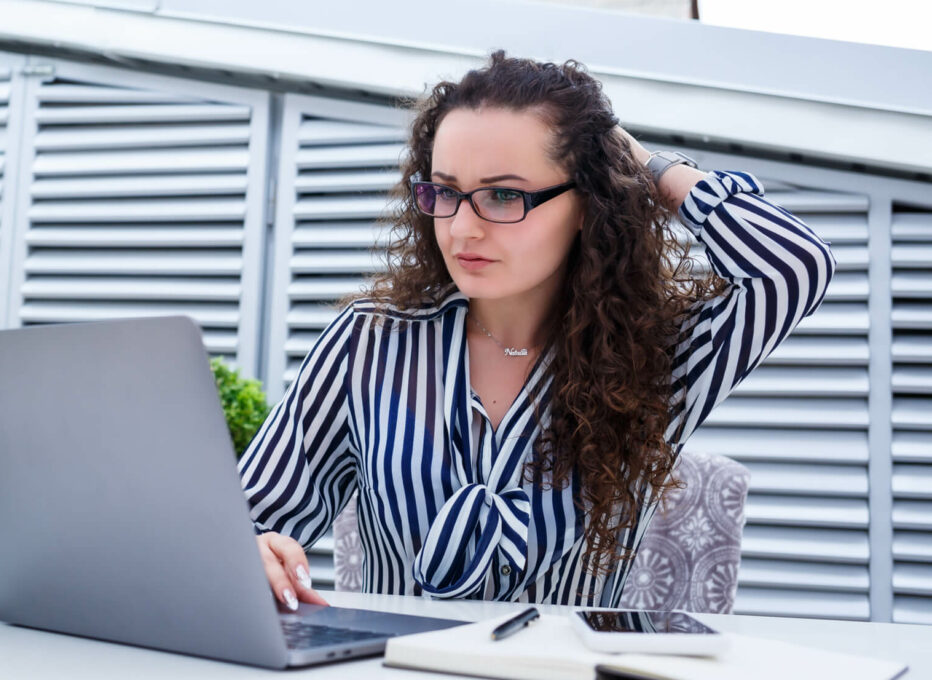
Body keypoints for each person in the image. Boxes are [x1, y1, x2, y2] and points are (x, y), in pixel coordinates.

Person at [238, 52, 835, 611]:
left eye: (503, 195)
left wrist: (650, 169)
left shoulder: (662, 358)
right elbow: (248, 518)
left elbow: (793, 266)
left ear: (588, 205)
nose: (462, 230)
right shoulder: (367, 343)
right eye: (445, 192)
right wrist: (253, 549)